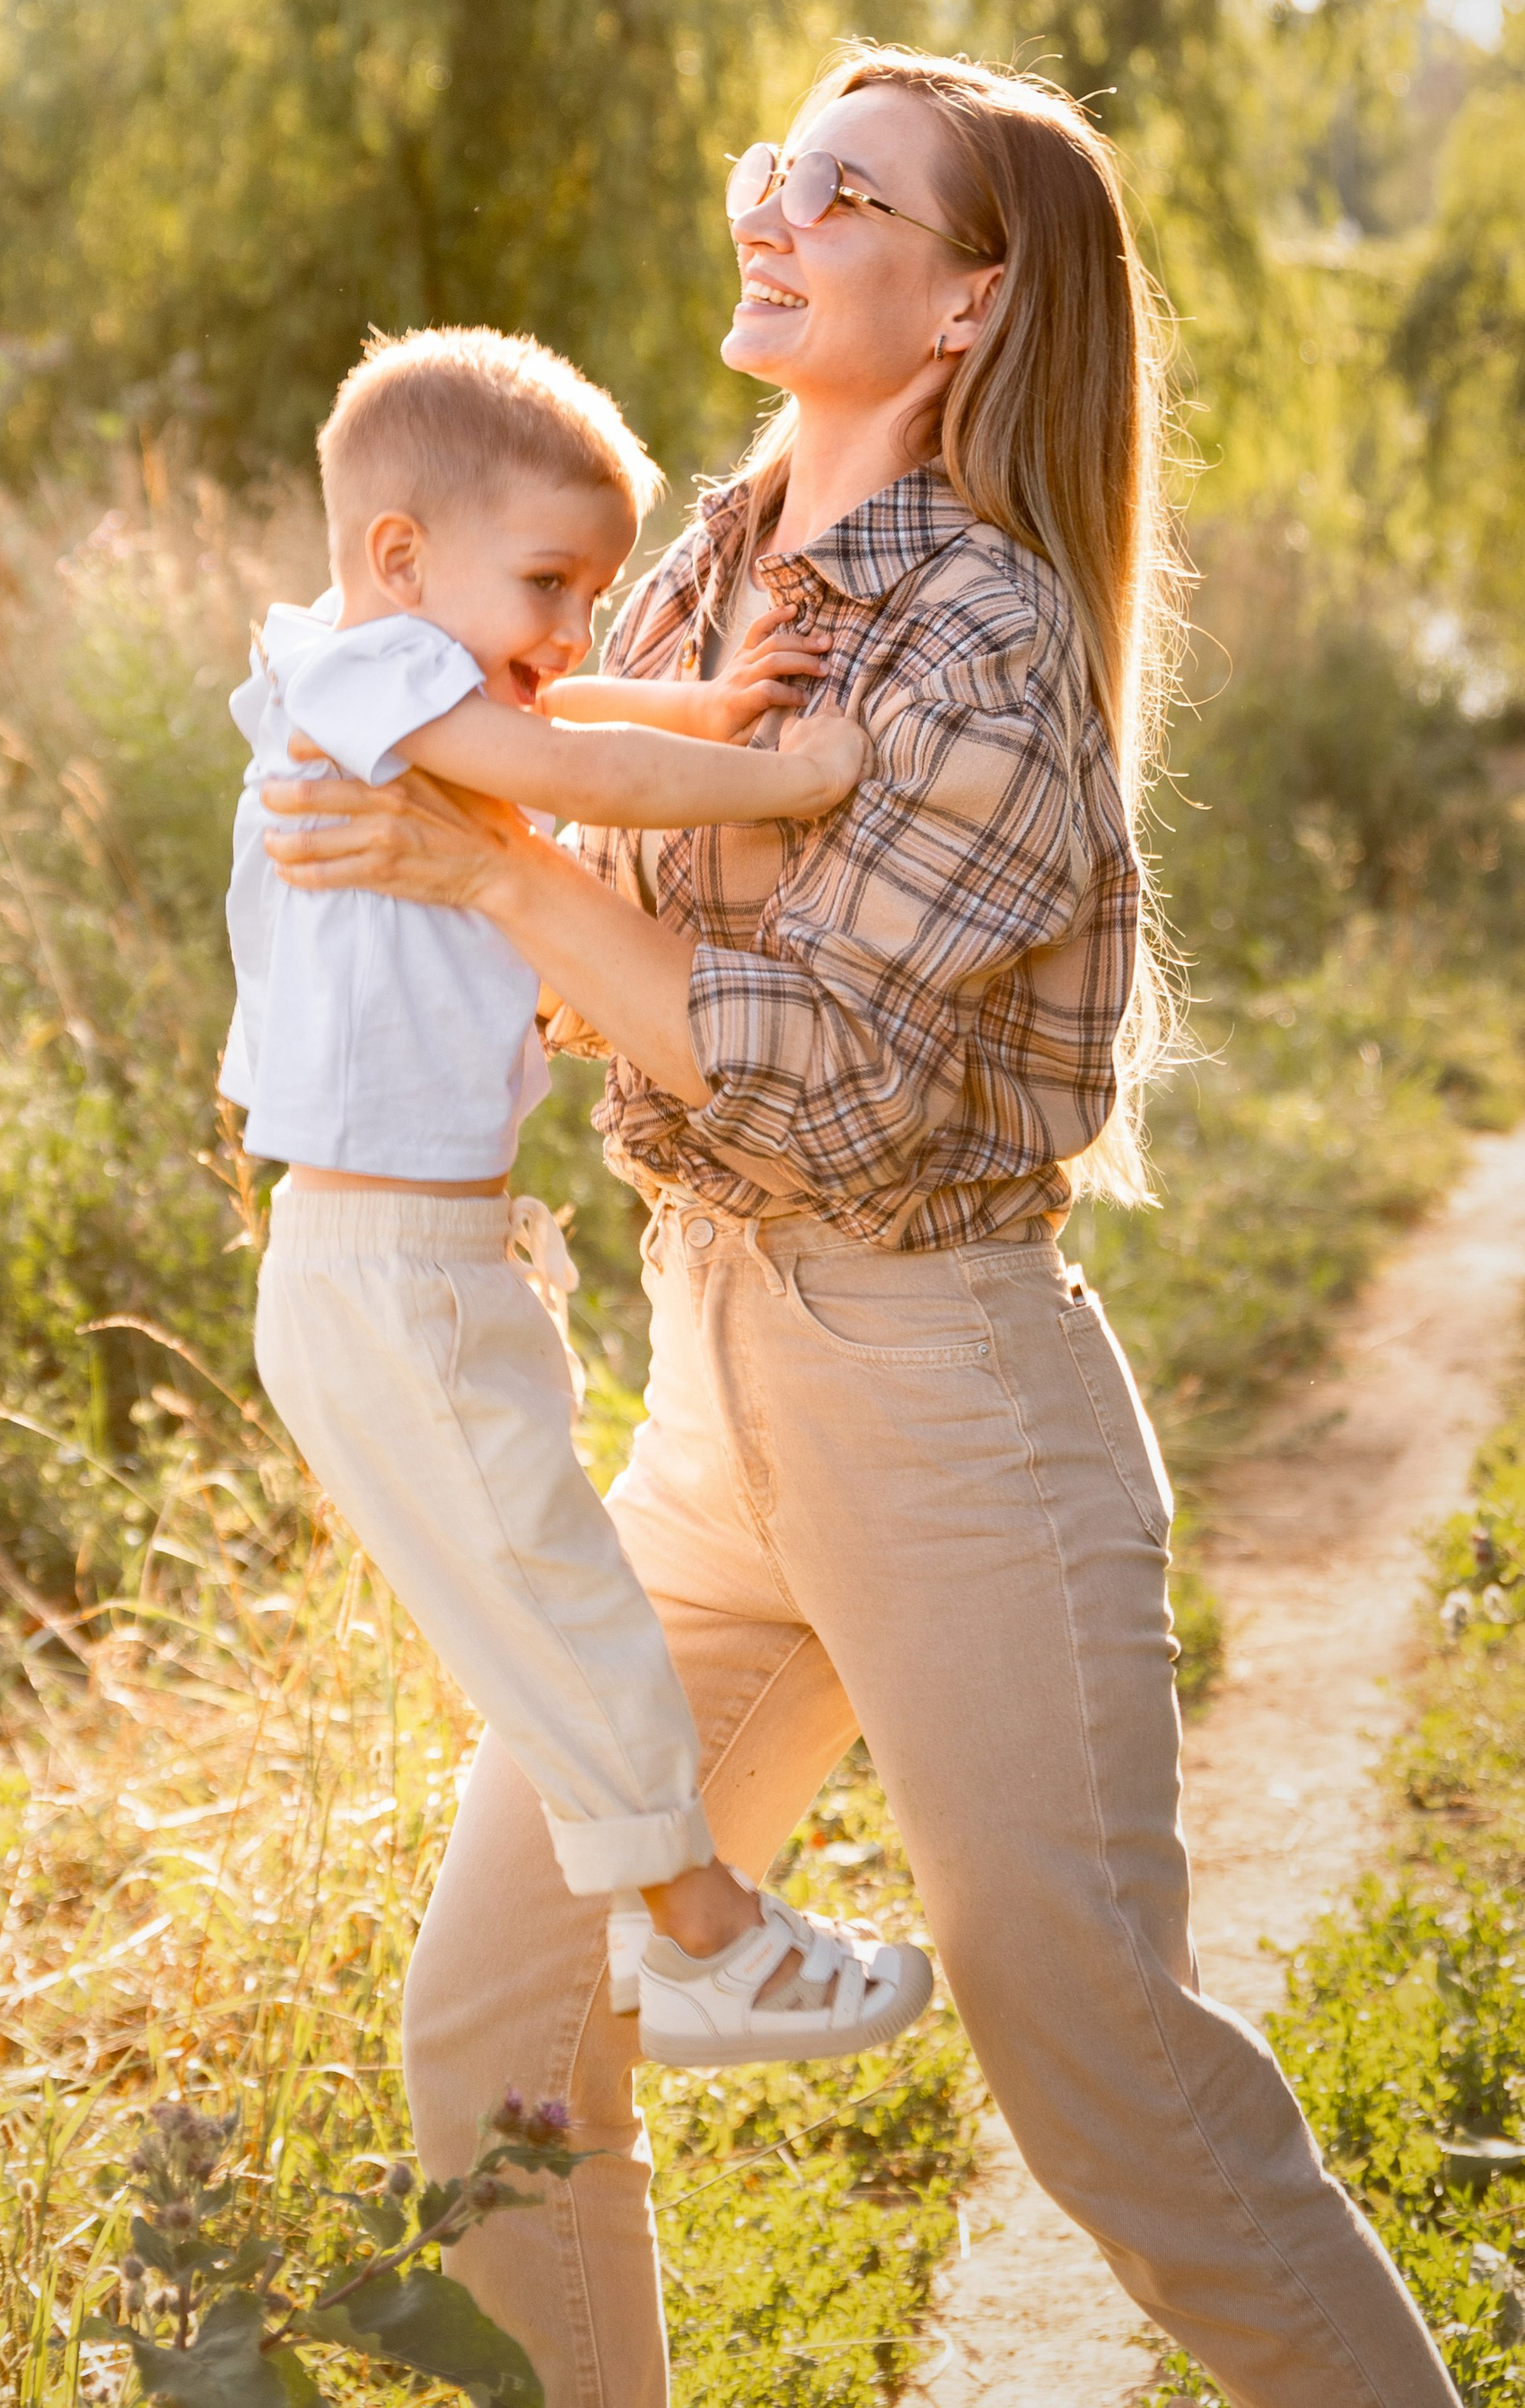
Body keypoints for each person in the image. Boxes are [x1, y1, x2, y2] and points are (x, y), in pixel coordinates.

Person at [260, 53, 1459, 2408]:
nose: (774, 212)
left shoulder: (992, 646)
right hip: (713, 1393)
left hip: (938, 1406)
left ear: (970, 302)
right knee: (500, 2034)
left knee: (1106, 2080)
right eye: (771, 171)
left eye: (845, 189)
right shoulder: (715, 565)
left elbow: (806, 1053)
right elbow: (597, 929)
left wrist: (484, 861)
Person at [225, 326, 934, 2065]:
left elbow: (575, 718)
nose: (568, 634)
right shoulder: (363, 679)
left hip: (420, 1256)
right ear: (397, 556)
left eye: (590, 594)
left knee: (542, 1594)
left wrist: (699, 706)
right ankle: (697, 1933)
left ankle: (667, 1923)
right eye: (545, 582)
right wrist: (783, 772)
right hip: (385, 1264)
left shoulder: (383, 677)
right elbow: (578, 771)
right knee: (555, 1596)